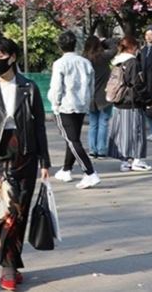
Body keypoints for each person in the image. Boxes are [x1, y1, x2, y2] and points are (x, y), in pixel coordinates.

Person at [0, 36, 51, 291]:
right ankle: (7, 267)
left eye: (0, 56)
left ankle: (11, 263)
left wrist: (45, 162)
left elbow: (39, 126)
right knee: (7, 212)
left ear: (13, 57)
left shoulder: (29, 88)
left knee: (20, 212)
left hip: (25, 154)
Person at [48, 31, 100, 190]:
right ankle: (66, 169)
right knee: (73, 138)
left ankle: (90, 173)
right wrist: (88, 100)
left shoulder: (60, 63)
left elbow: (57, 86)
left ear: (60, 46)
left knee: (72, 140)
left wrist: (54, 103)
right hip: (82, 103)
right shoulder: (85, 62)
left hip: (65, 105)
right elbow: (92, 84)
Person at [107, 36, 152, 173]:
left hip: (118, 102)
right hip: (132, 103)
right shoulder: (132, 62)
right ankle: (138, 160)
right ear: (133, 47)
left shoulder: (117, 61)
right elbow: (137, 84)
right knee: (137, 133)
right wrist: (148, 100)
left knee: (122, 134)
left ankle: (125, 161)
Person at [82, 35, 118, 158]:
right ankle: (102, 150)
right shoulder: (103, 57)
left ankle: (92, 150)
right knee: (103, 123)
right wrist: (105, 41)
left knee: (93, 124)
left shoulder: (84, 59)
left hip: (90, 96)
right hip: (104, 96)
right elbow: (115, 48)